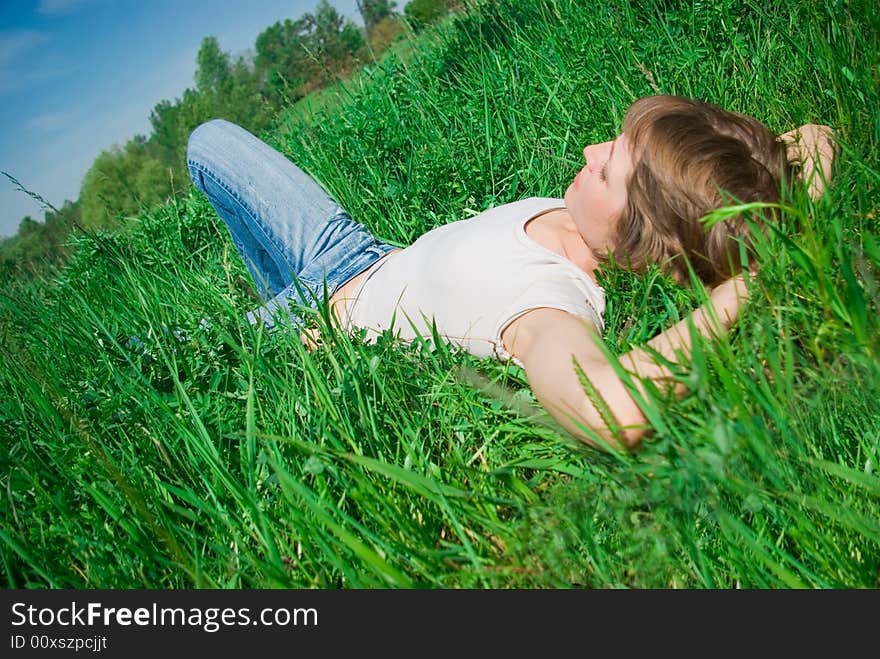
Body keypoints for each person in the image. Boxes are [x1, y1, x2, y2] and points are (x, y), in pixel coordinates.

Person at [185, 95, 835, 451]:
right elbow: (810, 137)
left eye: (607, 167)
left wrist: (750, 282)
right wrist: (791, 191)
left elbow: (608, 413)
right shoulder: (591, 220)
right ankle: (273, 304)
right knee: (209, 141)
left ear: (645, 242)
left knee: (154, 368)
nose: (589, 150)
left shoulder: (546, 306)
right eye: (613, 143)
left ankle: (273, 334)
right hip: (358, 251)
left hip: (317, 321)